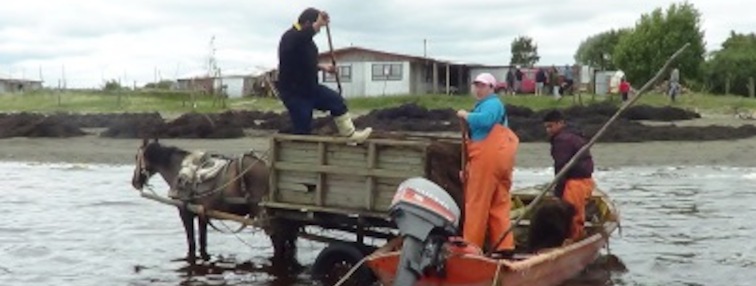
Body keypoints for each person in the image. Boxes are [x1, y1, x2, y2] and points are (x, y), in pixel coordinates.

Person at [277, 8, 372, 141]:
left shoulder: (308, 42)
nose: (318, 30)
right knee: (303, 127)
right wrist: (318, 24)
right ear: (308, 23)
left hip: (310, 88)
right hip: (294, 93)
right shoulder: (290, 37)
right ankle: (300, 155)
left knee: (337, 102)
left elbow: (302, 63)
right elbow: (295, 50)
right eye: (316, 26)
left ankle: (350, 135)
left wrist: (323, 67)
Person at [457, 73, 519, 253]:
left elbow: (486, 121)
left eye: (483, 86)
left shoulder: (492, 104)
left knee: (476, 203)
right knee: (499, 205)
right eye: (476, 85)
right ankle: (504, 246)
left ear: (492, 88)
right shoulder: (488, 105)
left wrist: (466, 115)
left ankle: (471, 247)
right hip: (500, 162)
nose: (478, 89)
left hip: (487, 161)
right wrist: (467, 167)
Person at [542, 110, 595, 241]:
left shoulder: (562, 140)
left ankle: (574, 239)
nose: (548, 130)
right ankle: (574, 237)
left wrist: (558, 192)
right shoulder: (573, 135)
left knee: (573, 214)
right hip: (586, 181)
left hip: (575, 182)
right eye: (546, 127)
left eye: (551, 126)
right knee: (575, 212)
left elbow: (561, 167)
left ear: (560, 123)